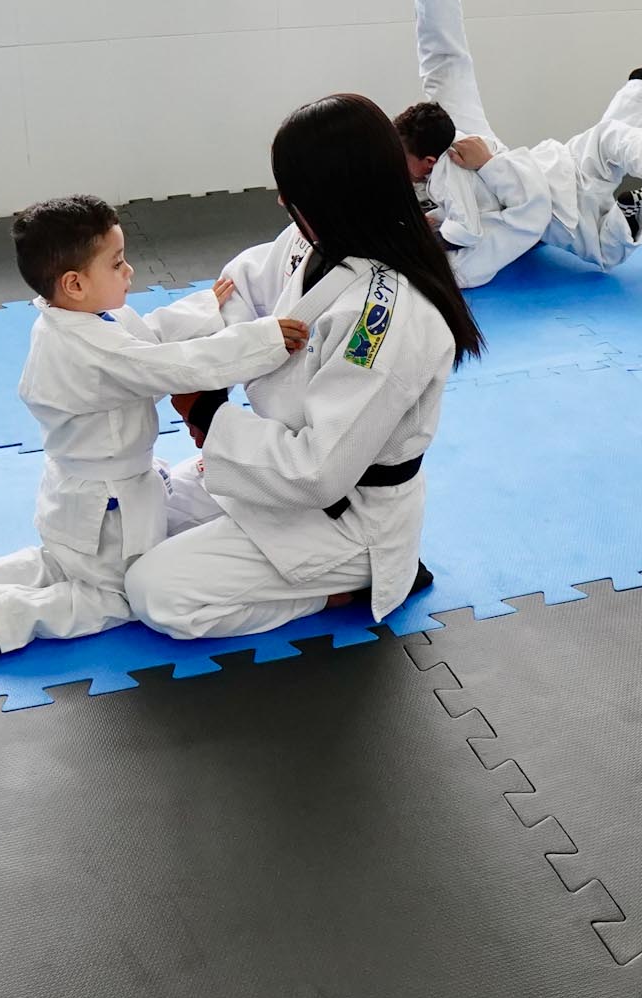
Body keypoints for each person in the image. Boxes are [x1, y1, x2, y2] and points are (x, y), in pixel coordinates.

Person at [124, 93, 484, 640]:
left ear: (332, 194)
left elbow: (319, 471)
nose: (281, 202)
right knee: (143, 514)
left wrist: (209, 415)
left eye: (290, 192)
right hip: (277, 468)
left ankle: (347, 587)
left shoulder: (387, 319)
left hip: (348, 515)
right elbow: (244, 287)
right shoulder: (313, 240)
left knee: (156, 590)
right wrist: (172, 353)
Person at [0, 195, 308, 659]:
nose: (130, 272)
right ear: (75, 283)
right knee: (117, 593)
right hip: (109, 507)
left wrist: (204, 307)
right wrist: (264, 340)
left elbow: (146, 336)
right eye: (117, 263)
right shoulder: (93, 351)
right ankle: (17, 617)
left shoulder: (69, 320)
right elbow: (176, 365)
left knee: (59, 563)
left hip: (71, 497)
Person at [398, 0, 642, 284]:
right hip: (512, 163)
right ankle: (639, 92)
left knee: (599, 214)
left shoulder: (458, 196)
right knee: (446, 74)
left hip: (526, 188)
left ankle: (640, 119)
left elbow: (496, 224)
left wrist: (485, 172)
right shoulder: (439, 168)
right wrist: (439, 219)